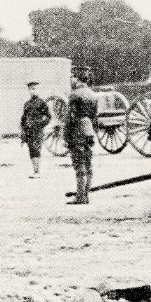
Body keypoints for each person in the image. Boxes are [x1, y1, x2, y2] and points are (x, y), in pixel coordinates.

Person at [64, 67, 98, 205]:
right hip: (88, 131)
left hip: (76, 132)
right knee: (89, 165)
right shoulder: (92, 94)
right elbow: (95, 116)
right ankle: (86, 195)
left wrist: (65, 136)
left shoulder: (74, 95)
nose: (71, 80)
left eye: (72, 77)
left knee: (79, 166)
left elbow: (69, 118)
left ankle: (80, 197)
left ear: (77, 78)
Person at [19, 81, 52, 178]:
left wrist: (40, 124)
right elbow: (23, 119)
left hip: (37, 130)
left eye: (35, 89)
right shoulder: (27, 104)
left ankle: (37, 171)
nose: (33, 91)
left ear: (38, 90)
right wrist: (23, 131)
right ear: (29, 90)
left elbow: (48, 117)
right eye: (31, 89)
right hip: (29, 130)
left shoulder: (42, 103)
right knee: (31, 150)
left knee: (36, 149)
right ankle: (35, 171)